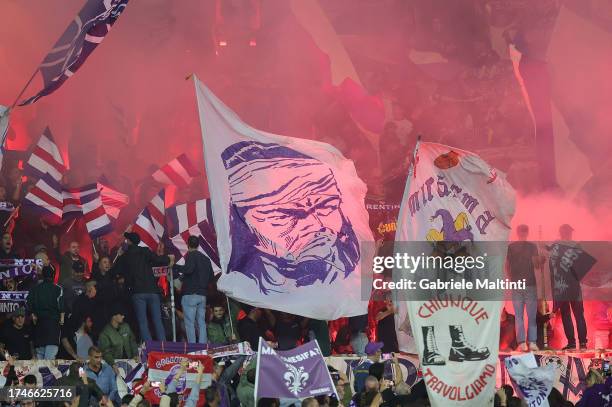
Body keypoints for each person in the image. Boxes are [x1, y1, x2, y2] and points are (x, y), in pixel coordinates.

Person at [221, 141, 360, 293]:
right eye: (288, 215)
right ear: (242, 221)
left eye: (327, 206)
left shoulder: (357, 275)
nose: (317, 225)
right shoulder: (241, 288)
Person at [113, 232, 174, 342]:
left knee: (143, 322)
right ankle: (163, 347)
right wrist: (168, 259)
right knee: (157, 320)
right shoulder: (145, 251)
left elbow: (115, 271)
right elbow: (158, 260)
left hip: (138, 292)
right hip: (152, 291)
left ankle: (150, 348)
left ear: (129, 241)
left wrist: (119, 255)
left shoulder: (126, 255)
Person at [551, 224, 588, 350]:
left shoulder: (556, 245)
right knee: (578, 314)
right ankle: (582, 343)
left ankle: (572, 343)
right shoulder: (577, 246)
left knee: (567, 313)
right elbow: (583, 266)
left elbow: (552, 266)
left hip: (562, 285)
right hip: (574, 285)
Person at [173, 235, 214, 344]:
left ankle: (192, 347)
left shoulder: (191, 255)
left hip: (190, 294)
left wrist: (175, 266)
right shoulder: (206, 259)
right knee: (201, 322)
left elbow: (189, 269)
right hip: (202, 295)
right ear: (198, 245)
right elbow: (211, 277)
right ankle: (202, 346)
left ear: (188, 244)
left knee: (190, 323)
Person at [506, 224, 540, 351]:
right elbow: (507, 265)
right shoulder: (531, 247)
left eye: (524, 231)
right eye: (523, 231)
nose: (523, 233)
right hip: (527, 284)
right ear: (525, 232)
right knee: (527, 316)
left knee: (522, 316)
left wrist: (511, 280)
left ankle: (525, 342)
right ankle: (529, 342)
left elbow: (507, 266)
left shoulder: (515, 247)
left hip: (525, 284)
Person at [27, 265, 64, 359]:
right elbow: (61, 306)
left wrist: (33, 314)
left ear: (42, 275)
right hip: (53, 326)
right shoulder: (58, 289)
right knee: (49, 360)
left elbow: (28, 303)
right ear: (53, 275)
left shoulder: (35, 289)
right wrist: (62, 319)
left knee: (40, 357)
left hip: (39, 325)